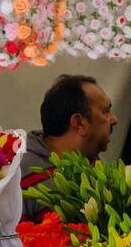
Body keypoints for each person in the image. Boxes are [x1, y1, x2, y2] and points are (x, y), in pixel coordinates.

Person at [21, 74, 118, 220]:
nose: (114, 120)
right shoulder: (19, 174)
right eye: (105, 111)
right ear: (79, 123)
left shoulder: (99, 170)